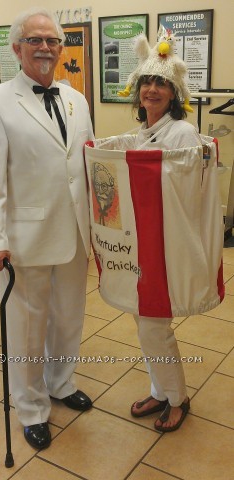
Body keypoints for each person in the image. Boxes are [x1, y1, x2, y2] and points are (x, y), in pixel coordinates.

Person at [0, 7, 94, 449]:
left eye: (53, 40)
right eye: (36, 40)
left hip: (75, 236)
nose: (45, 47)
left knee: (68, 319)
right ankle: (31, 407)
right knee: (26, 328)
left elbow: (82, 166)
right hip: (23, 241)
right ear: (18, 48)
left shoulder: (76, 99)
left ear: (62, 48)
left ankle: (61, 383)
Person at [118, 29, 203, 432]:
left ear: (174, 93)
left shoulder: (181, 134)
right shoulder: (142, 132)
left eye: (161, 84)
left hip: (165, 245)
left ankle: (178, 398)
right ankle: (160, 389)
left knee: (154, 324)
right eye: (146, 82)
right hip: (143, 243)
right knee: (144, 321)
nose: (152, 90)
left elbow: (182, 194)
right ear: (137, 91)